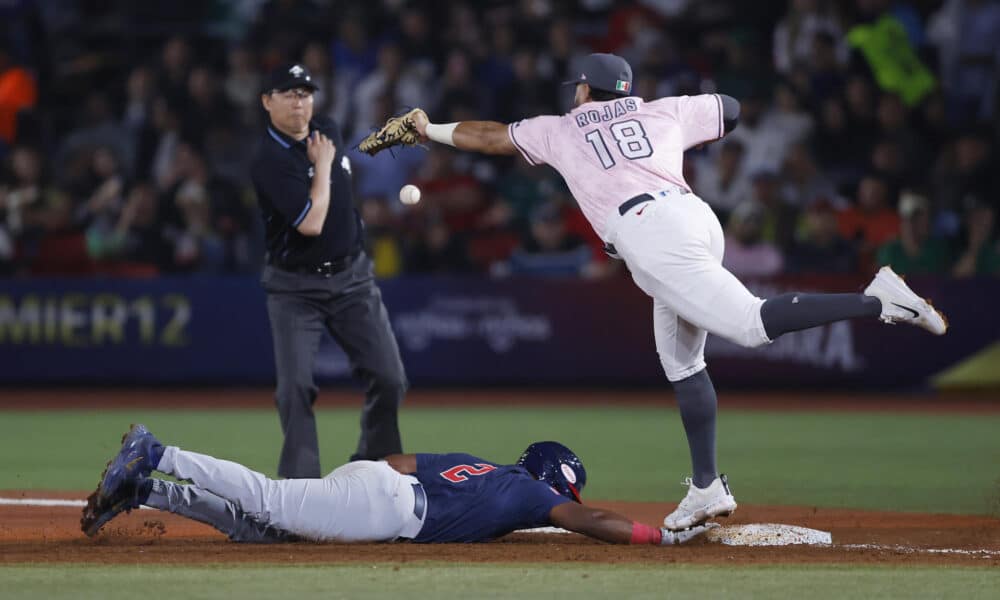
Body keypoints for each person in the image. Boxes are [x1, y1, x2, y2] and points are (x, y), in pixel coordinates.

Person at [398, 53, 948, 531]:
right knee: (683, 363)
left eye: (580, 89)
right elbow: (729, 107)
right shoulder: (659, 110)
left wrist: (429, 129)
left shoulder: (562, 127)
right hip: (693, 215)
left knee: (752, 324)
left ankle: (880, 299)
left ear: (585, 90)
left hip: (649, 232)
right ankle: (707, 487)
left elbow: (490, 136)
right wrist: (667, 117)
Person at [80, 424, 711, 546]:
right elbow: (591, 520)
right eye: (560, 494)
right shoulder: (526, 493)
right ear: (553, 480)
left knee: (262, 532)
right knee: (269, 501)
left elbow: (399, 457)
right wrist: (658, 537)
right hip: (386, 508)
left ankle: (146, 492)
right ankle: (159, 452)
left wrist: (349, 487)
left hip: (378, 480)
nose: (558, 507)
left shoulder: (484, 467)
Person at [250, 64, 408, 478]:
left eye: (305, 93)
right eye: (288, 93)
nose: (299, 101)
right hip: (294, 289)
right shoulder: (268, 159)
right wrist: (323, 165)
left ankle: (376, 469)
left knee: (390, 378)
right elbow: (311, 223)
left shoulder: (328, 128)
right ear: (267, 101)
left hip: (352, 279)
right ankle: (301, 488)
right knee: (295, 389)